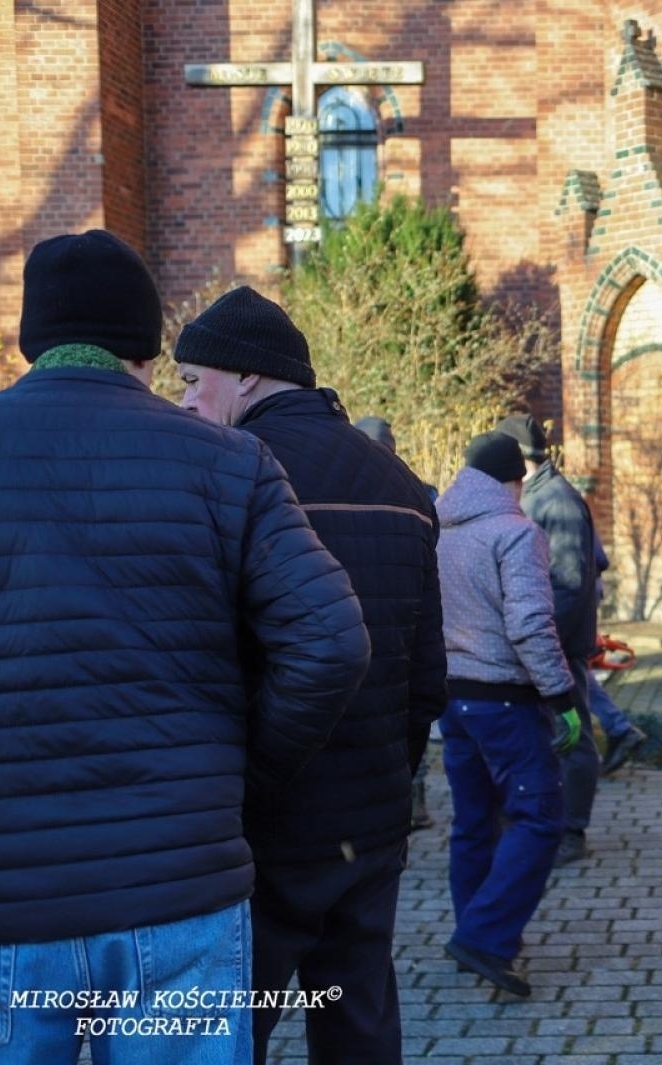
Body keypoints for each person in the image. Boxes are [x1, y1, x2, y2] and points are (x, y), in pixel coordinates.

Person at [0, 230, 370, 1064]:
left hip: (4, 901)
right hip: (182, 891)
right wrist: (245, 767)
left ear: (34, 337)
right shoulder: (230, 461)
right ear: (148, 348)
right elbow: (332, 640)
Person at [173, 287, 448, 1065]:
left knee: (232, 1031)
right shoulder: (399, 480)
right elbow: (429, 673)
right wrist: (391, 775)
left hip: (263, 824)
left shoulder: (231, 474)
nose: (189, 402)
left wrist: (250, 777)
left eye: (196, 380)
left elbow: (208, 657)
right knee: (358, 1021)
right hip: (370, 821)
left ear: (248, 377)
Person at [435, 431, 581, 995]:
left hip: (453, 699)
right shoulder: (516, 533)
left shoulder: (440, 530)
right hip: (504, 700)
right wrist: (562, 697)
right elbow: (529, 624)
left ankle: (473, 929)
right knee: (540, 817)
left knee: (473, 822)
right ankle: (487, 938)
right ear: (513, 481)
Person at [495, 411, 603, 865]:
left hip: (556, 646)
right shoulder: (534, 497)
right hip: (541, 645)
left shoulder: (554, 501)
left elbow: (568, 583)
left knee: (572, 736)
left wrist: (540, 646)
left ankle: (572, 832)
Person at [355, 413, 441, 830]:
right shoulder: (418, 490)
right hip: (403, 620)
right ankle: (410, 798)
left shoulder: (342, 483)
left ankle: (410, 798)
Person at [591, 535, 648, 774]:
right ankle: (619, 729)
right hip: (575, 593)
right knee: (573, 672)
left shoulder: (555, 503)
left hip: (566, 596)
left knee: (566, 672)